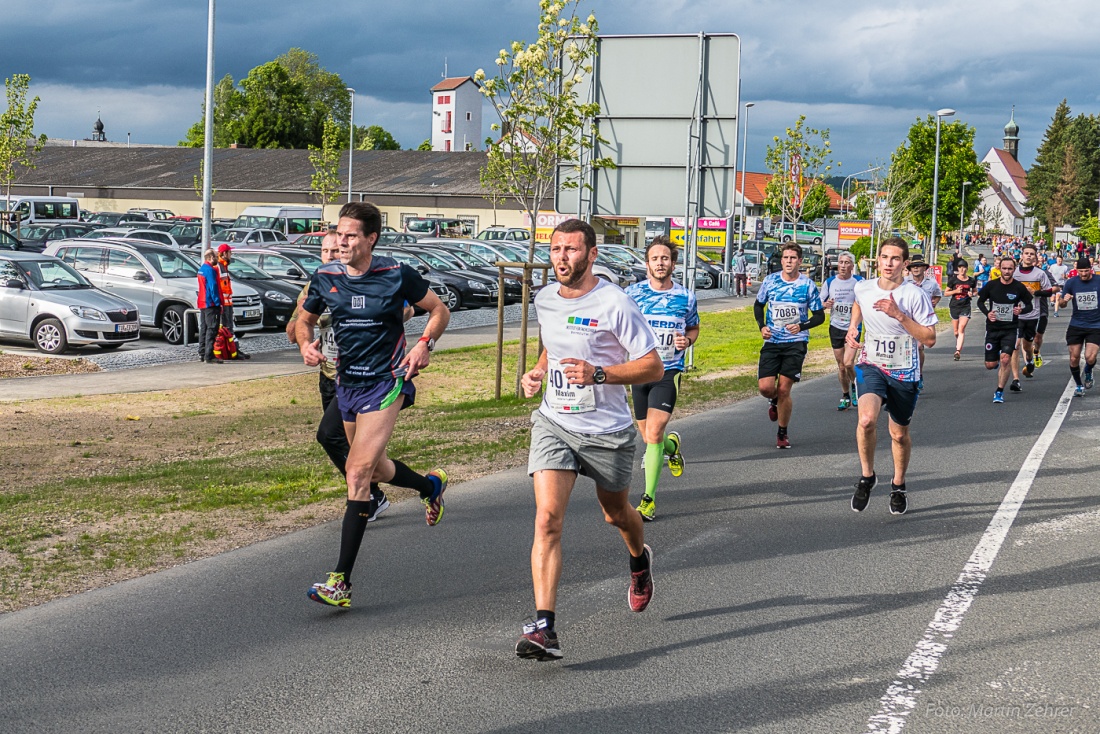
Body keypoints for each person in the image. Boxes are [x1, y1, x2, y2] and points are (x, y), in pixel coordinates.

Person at [516, 218, 663, 661]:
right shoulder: (544, 298)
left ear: (592, 254)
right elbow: (553, 344)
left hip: (607, 432)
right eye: (556, 249)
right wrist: (540, 370)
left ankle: (639, 559)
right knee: (547, 520)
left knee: (616, 515)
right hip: (555, 422)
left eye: (572, 250)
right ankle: (545, 628)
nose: (562, 257)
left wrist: (600, 373)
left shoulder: (616, 303)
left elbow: (652, 367)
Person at [294, 201, 451, 608]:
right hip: (347, 384)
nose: (340, 243)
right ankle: (429, 485)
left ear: (370, 239)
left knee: (358, 473)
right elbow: (303, 321)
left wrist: (423, 344)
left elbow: (439, 310)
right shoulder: (325, 276)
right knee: (375, 467)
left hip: (387, 382)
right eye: (338, 235)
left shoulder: (397, 274)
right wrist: (304, 345)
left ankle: (340, 582)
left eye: (349, 236)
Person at [286, 231, 410, 521]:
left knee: (328, 436)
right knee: (367, 457)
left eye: (334, 250)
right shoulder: (317, 284)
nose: (331, 255)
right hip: (329, 375)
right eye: (325, 251)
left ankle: (367, 493)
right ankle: (424, 485)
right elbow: (293, 332)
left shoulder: (370, 280)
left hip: (366, 377)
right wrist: (310, 319)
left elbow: (406, 309)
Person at [847, 238, 937, 515]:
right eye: (884, 257)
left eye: (895, 258)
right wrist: (853, 328)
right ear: (877, 259)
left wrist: (899, 315)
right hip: (872, 363)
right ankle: (867, 477)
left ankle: (898, 484)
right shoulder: (863, 286)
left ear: (905, 264)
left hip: (904, 370)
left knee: (898, 435)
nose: (888, 263)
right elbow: (859, 303)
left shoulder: (914, 295)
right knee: (866, 420)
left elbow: (930, 338)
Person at [625, 236, 700, 521]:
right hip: (639, 370)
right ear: (647, 264)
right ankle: (672, 447)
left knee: (652, 434)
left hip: (668, 371)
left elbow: (693, 327)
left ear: (673, 263)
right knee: (648, 435)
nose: (660, 262)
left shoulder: (686, 296)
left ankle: (648, 500)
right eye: (655, 258)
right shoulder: (632, 294)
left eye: (665, 258)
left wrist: (687, 342)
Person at [754, 242, 825, 449]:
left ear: (800, 261)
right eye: (785, 258)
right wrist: (762, 326)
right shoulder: (770, 281)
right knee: (766, 388)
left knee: (784, 389)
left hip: (796, 342)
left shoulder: (807, 285)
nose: (788, 261)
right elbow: (759, 305)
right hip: (772, 340)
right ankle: (773, 400)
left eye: (793, 258)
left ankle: (782, 433)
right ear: (781, 260)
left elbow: (819, 316)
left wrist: (801, 326)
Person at [976, 257, 1033, 403]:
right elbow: (980, 301)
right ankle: (996, 363)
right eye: (1004, 268)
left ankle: (999, 391)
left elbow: (1030, 306)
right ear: (999, 269)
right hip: (993, 328)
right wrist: (987, 313)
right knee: (990, 365)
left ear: (1014, 270)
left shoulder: (1019, 287)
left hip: (1010, 329)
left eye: (1010, 269)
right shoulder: (991, 285)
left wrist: (1021, 311)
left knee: (1006, 359)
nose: (1007, 271)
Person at [820, 251, 863, 410]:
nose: (843, 266)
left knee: (849, 362)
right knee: (841, 366)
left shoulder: (859, 282)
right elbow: (819, 302)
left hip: (853, 328)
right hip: (836, 327)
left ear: (852, 265)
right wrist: (825, 305)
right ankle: (845, 395)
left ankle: (855, 385)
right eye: (841, 262)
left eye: (846, 263)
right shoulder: (830, 282)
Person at [1012, 244, 1058, 379]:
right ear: (1022, 255)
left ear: (1036, 257)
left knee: (1031, 342)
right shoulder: (1014, 273)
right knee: (1016, 344)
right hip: (1017, 313)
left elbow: (1052, 290)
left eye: (1032, 254)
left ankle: (1032, 355)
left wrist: (1036, 292)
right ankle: (1016, 379)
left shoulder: (1041, 273)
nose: (1029, 256)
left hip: (1036, 312)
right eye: (1026, 253)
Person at [1057, 257, 1100, 397]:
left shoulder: (1098, 281)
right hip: (1077, 324)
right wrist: (1065, 300)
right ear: (1076, 270)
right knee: (1074, 358)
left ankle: (1088, 370)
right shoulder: (1071, 282)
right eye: (1080, 271)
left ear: (1091, 269)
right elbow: (1062, 304)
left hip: (1095, 324)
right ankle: (1079, 385)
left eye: (1086, 271)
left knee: (1090, 357)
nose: (1083, 274)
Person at [903, 254, 942, 389]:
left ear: (924, 268)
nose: (916, 268)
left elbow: (938, 294)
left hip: (923, 320)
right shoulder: (905, 282)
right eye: (913, 266)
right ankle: (906, 374)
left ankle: (918, 374)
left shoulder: (931, 283)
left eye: (918, 266)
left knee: (919, 347)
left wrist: (934, 302)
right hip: (908, 319)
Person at [214, 243, 250, 358]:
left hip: (227, 303)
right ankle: (232, 351)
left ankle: (233, 350)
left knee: (229, 328)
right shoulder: (219, 266)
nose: (231, 255)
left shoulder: (224, 266)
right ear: (224, 254)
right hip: (223, 303)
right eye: (230, 252)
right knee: (226, 328)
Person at [943, 259, 976, 361]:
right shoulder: (953, 280)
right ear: (958, 269)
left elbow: (975, 292)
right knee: (956, 331)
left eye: (964, 267)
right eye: (960, 267)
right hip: (954, 306)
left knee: (961, 328)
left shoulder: (971, 280)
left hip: (965, 306)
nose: (962, 270)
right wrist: (956, 291)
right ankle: (958, 341)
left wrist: (972, 294)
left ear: (967, 268)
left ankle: (957, 351)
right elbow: (945, 293)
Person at [197, 249, 223, 364]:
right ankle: (209, 355)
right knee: (212, 328)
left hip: (202, 302)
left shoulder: (202, 269)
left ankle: (202, 353)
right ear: (211, 258)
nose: (217, 259)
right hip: (210, 303)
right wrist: (218, 302)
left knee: (204, 328)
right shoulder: (210, 270)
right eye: (216, 257)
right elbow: (213, 287)